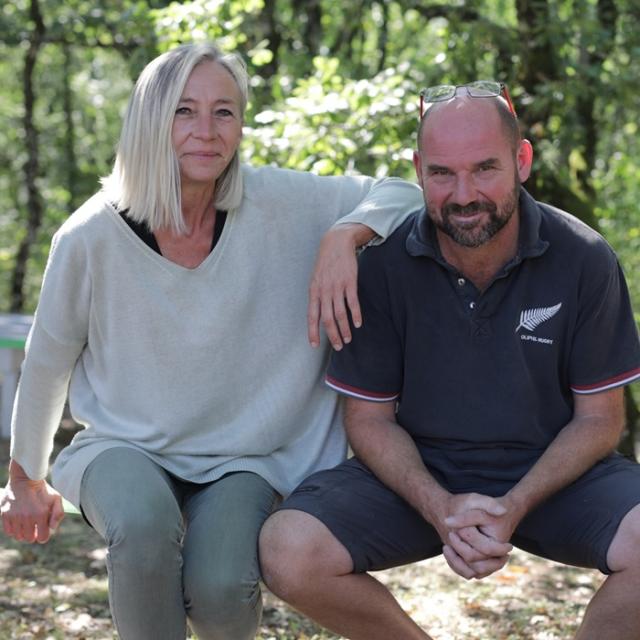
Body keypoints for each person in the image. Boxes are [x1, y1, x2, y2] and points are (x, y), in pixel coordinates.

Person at [0, 43, 423, 640]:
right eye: (184, 111)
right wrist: (25, 482)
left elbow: (405, 192)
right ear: (150, 120)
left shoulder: (284, 202)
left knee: (222, 587)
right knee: (145, 527)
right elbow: (46, 367)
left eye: (224, 112)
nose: (206, 131)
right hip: (126, 446)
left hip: (246, 457)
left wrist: (344, 236)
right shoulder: (89, 237)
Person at [259, 81, 640, 640]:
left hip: (552, 474)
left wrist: (514, 503)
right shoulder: (382, 268)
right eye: (442, 173)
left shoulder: (583, 257)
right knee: (288, 549)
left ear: (521, 160)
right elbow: (368, 420)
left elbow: (601, 419)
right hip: (415, 476)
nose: (464, 194)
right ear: (418, 170)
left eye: (485, 168)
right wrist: (440, 507)